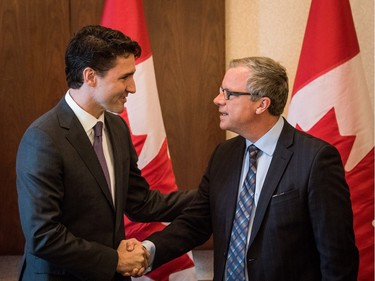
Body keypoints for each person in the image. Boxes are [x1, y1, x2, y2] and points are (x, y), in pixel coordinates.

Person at [144, 56, 359, 280]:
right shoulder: (223, 155)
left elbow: (337, 256)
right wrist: (147, 251)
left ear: (261, 104)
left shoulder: (315, 159)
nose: (217, 100)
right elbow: (196, 221)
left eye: (229, 94)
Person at [16, 25, 195, 281]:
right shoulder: (43, 138)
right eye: (124, 77)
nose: (132, 88)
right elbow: (43, 235)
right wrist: (115, 260)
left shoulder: (116, 127)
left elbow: (141, 203)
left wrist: (211, 195)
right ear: (90, 77)